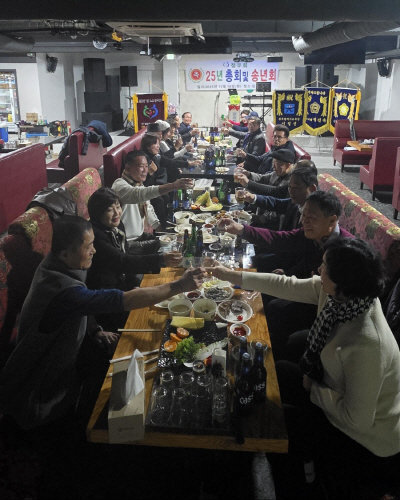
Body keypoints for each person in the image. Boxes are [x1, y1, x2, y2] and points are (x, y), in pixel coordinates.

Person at [209, 239, 400, 496]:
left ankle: (297, 480)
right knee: (279, 371)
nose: (319, 270)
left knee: (284, 422)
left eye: (324, 266)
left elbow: (358, 421)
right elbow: (286, 285)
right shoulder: (345, 296)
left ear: (343, 281)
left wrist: (314, 389)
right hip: (335, 388)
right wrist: (231, 275)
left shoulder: (368, 343)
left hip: (368, 439)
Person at [0, 215, 205, 430]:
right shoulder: (57, 286)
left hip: (68, 363)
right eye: (88, 246)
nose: (94, 251)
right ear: (65, 252)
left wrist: (95, 330)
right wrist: (178, 286)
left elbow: (82, 302)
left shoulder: (59, 263)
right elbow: (118, 300)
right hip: (40, 388)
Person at [218, 191, 354, 361]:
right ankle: (263, 344)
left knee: (277, 308)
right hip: (312, 290)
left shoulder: (345, 252)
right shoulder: (314, 234)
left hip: (328, 310)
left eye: (311, 217)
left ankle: (271, 358)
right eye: (303, 215)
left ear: (332, 221)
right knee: (265, 294)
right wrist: (241, 229)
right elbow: (279, 239)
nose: (304, 221)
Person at [86, 188, 182, 331]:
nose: (117, 213)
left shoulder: (117, 225)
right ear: (97, 213)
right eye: (109, 210)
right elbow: (121, 261)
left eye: (118, 206)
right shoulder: (96, 237)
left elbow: (127, 253)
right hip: (107, 295)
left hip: (123, 283)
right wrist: (160, 259)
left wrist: (136, 285)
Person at [112, 150, 193, 242]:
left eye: (146, 166)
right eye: (141, 166)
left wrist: (162, 232)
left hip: (142, 236)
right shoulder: (119, 185)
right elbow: (139, 194)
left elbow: (148, 209)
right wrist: (173, 186)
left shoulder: (138, 184)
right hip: (127, 242)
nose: (145, 170)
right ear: (127, 167)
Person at [244, 164, 318, 231]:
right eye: (289, 187)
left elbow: (289, 237)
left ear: (312, 189)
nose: (291, 191)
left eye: (296, 187)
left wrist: (246, 230)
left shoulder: (315, 217)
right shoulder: (295, 203)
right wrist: (253, 198)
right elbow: (276, 203)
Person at [236, 149, 295, 230]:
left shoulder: (292, 182)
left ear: (288, 165)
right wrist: (248, 174)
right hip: (261, 212)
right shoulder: (278, 173)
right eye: (272, 162)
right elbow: (262, 178)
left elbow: (277, 210)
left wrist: (254, 218)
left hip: (270, 225)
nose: (273, 167)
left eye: (276, 163)